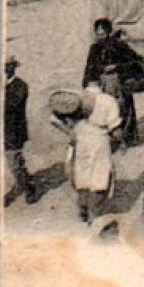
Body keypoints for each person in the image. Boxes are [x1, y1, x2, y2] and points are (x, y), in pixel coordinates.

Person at [49, 93, 112, 224]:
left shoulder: (72, 126)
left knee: (81, 180)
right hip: (97, 146)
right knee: (98, 181)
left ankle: (83, 209)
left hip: (80, 150)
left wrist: (66, 129)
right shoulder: (89, 120)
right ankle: (94, 216)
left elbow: (53, 120)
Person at [82, 18, 140, 147]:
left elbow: (134, 61)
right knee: (105, 108)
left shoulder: (119, 45)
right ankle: (110, 139)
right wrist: (86, 83)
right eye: (98, 33)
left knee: (124, 107)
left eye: (102, 33)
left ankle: (128, 137)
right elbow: (90, 66)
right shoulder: (94, 48)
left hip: (119, 81)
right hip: (102, 82)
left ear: (108, 32)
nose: (100, 36)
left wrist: (117, 67)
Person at [3, 58, 35, 207]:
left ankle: (29, 188)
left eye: (8, 66)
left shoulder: (21, 86)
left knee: (14, 164)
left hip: (13, 130)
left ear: (14, 68)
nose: (5, 69)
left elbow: (13, 105)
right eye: (3, 66)